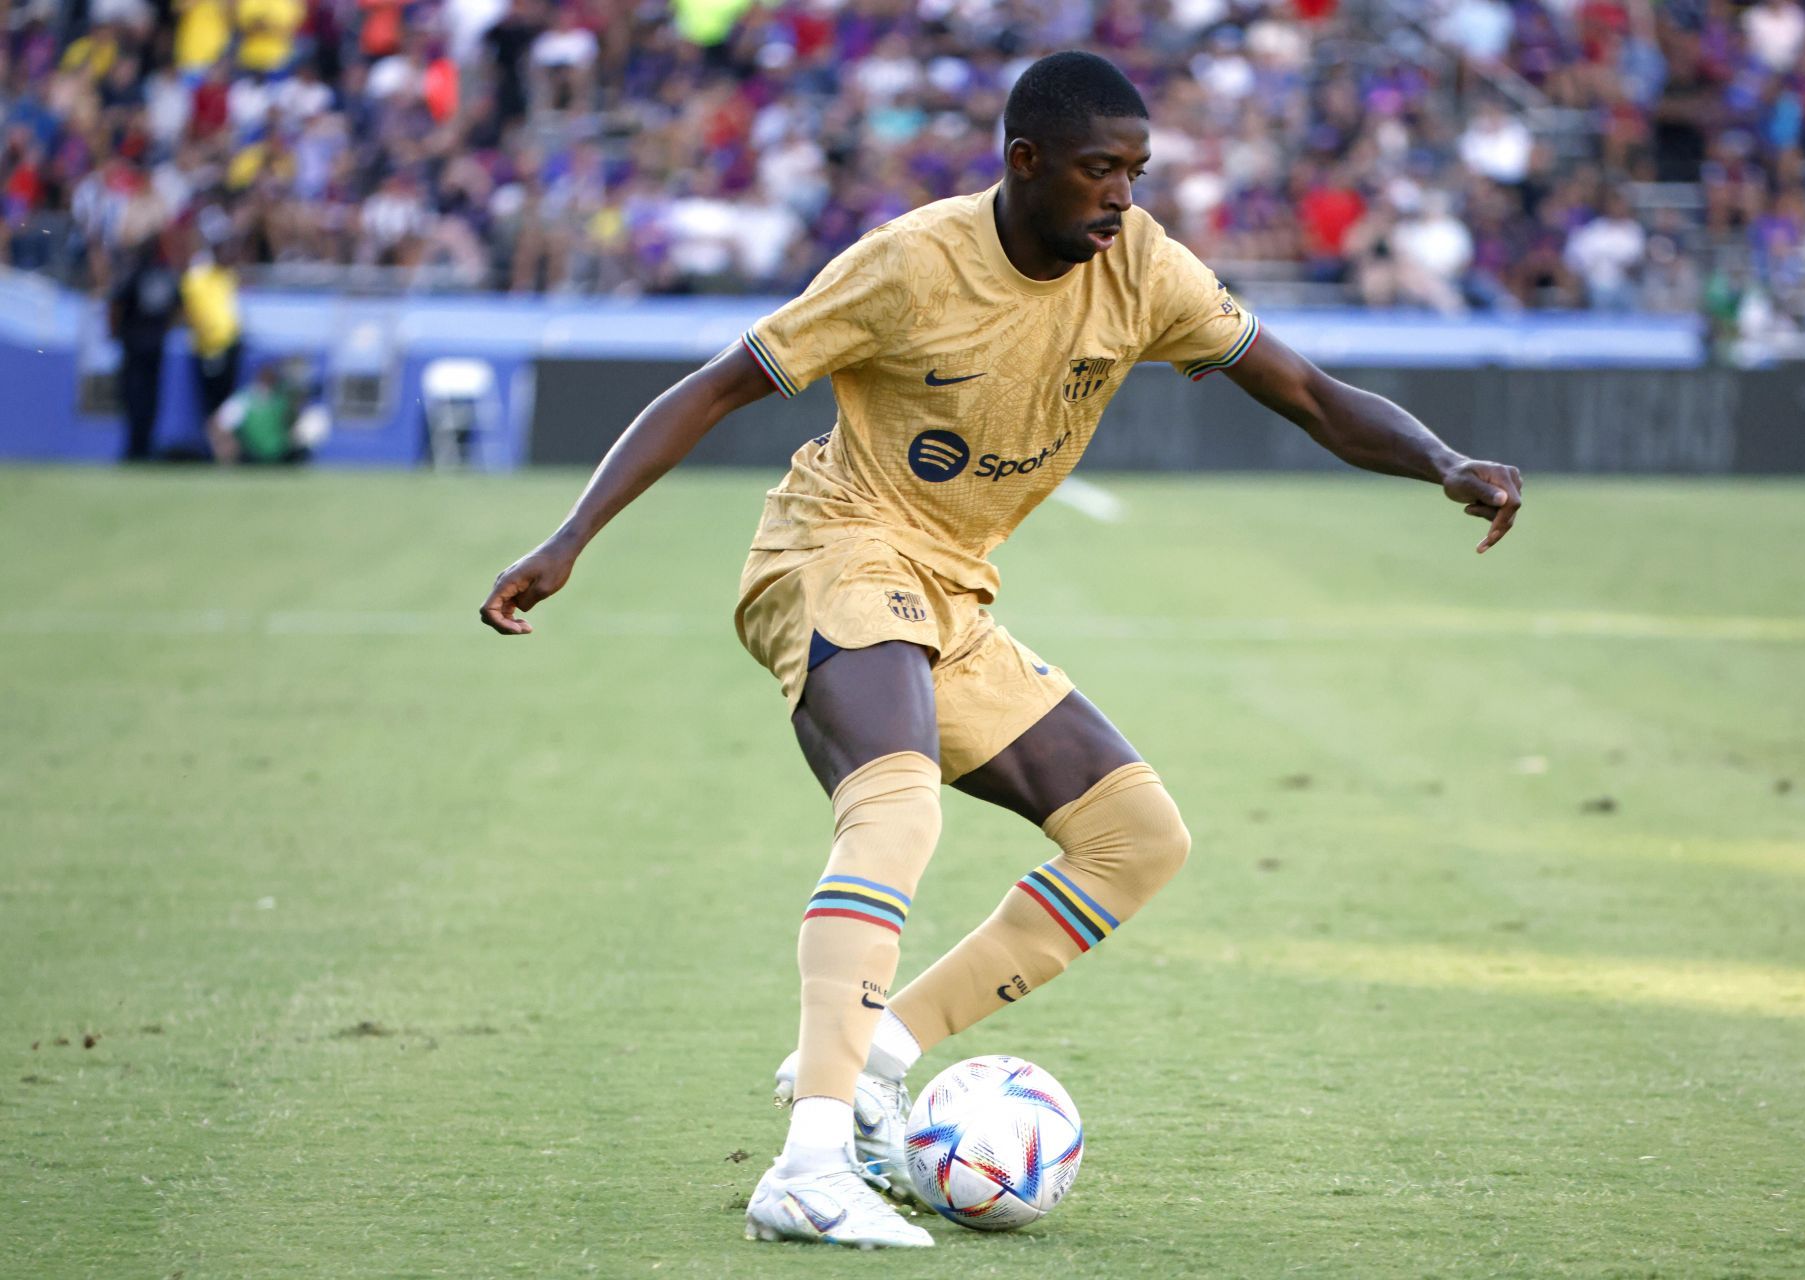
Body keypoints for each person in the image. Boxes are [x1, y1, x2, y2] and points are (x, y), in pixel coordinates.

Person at [478, 51, 1524, 1251]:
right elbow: (718, 387)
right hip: (836, 551)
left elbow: (1312, 393)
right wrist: (570, 536)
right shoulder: (909, 263)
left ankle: (878, 1050)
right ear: (1024, 163)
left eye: (1136, 171)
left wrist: (1444, 460)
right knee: (897, 805)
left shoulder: (1143, 269)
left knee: (1138, 836)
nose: (1123, 198)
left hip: (954, 592)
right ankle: (811, 1163)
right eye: (1099, 171)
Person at [108, 235, 180, 462]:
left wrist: (114, 332)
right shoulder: (167, 276)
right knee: (150, 399)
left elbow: (116, 303)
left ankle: (135, 448)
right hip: (155, 345)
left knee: (132, 397)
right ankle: (144, 446)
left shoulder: (135, 273)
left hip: (133, 344)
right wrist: (163, 330)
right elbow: (178, 308)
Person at [181, 238, 246, 436]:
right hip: (210, 347)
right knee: (214, 402)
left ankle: (223, 447)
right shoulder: (197, 277)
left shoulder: (226, 276)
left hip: (230, 344)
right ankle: (218, 447)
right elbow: (196, 313)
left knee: (226, 402)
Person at [207, 359, 328, 463]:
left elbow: (294, 423)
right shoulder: (244, 399)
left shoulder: (284, 397)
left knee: (315, 420)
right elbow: (217, 424)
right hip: (252, 457)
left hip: (283, 453)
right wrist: (229, 451)